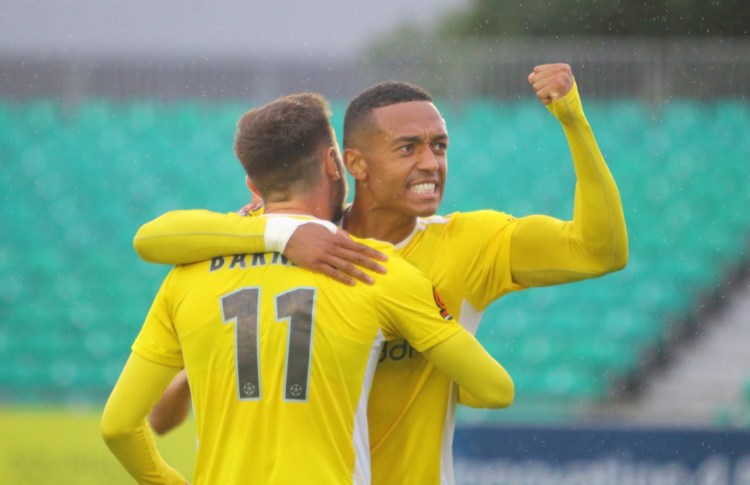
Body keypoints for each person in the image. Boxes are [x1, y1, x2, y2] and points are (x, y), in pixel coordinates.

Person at [134, 63, 628, 484]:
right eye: (408, 148)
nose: (431, 163)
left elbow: (598, 251)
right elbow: (159, 413)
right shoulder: (292, 247)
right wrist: (273, 240)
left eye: (440, 146)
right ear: (353, 163)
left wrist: (573, 119)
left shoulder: (471, 243)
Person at [101, 93, 514, 484]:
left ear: (253, 186)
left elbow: (118, 426)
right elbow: (495, 390)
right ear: (333, 163)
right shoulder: (372, 267)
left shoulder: (188, 274)